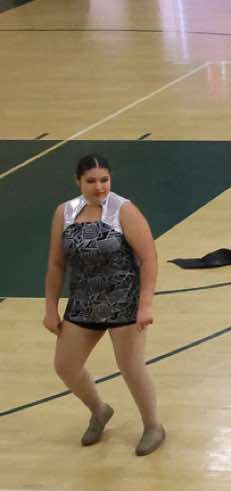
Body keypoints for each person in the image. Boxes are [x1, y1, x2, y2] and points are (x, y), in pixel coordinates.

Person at [43, 154, 165, 457]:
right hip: (83, 303)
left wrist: (145, 305)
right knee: (65, 366)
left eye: (104, 180)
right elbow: (56, 264)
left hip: (124, 302)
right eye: (91, 181)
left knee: (130, 367)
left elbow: (149, 258)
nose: (99, 187)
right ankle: (99, 410)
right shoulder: (64, 213)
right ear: (78, 181)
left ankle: (153, 426)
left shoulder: (124, 210)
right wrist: (50, 308)